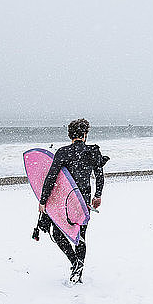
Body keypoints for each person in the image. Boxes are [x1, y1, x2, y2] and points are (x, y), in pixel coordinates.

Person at [38, 118, 109, 283]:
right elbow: (99, 176)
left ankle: (74, 261)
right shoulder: (93, 151)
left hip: (66, 201)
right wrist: (97, 195)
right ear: (85, 134)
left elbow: (51, 178)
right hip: (83, 200)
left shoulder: (63, 152)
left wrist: (43, 200)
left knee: (56, 233)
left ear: (70, 135)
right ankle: (79, 268)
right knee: (80, 235)